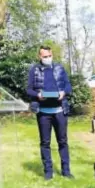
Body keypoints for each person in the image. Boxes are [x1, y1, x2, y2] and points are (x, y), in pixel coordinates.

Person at [27, 45, 73, 180]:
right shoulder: (34, 70)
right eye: (44, 56)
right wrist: (38, 95)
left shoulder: (59, 68)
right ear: (40, 57)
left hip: (60, 111)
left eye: (49, 56)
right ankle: (48, 172)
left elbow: (68, 85)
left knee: (63, 141)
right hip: (43, 113)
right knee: (45, 143)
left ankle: (66, 171)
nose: (48, 58)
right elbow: (28, 90)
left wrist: (64, 92)